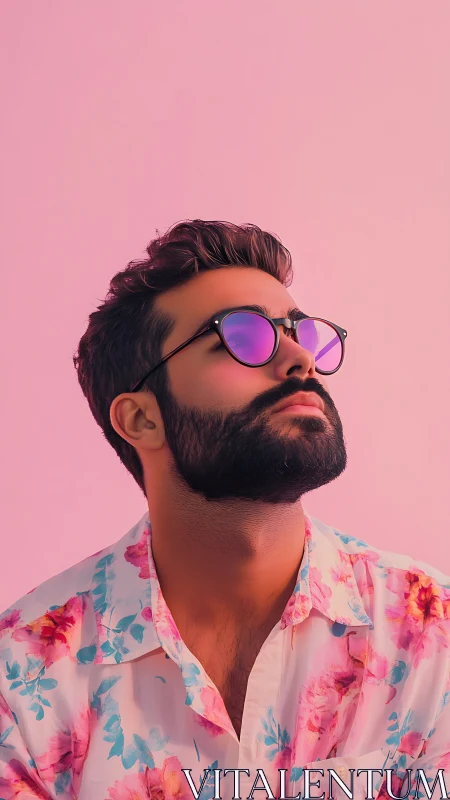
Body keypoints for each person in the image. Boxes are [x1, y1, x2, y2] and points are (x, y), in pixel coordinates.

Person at [0, 220, 449, 800]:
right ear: (141, 419)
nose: (298, 360)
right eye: (242, 336)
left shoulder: (429, 633)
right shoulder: (22, 676)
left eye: (300, 334)